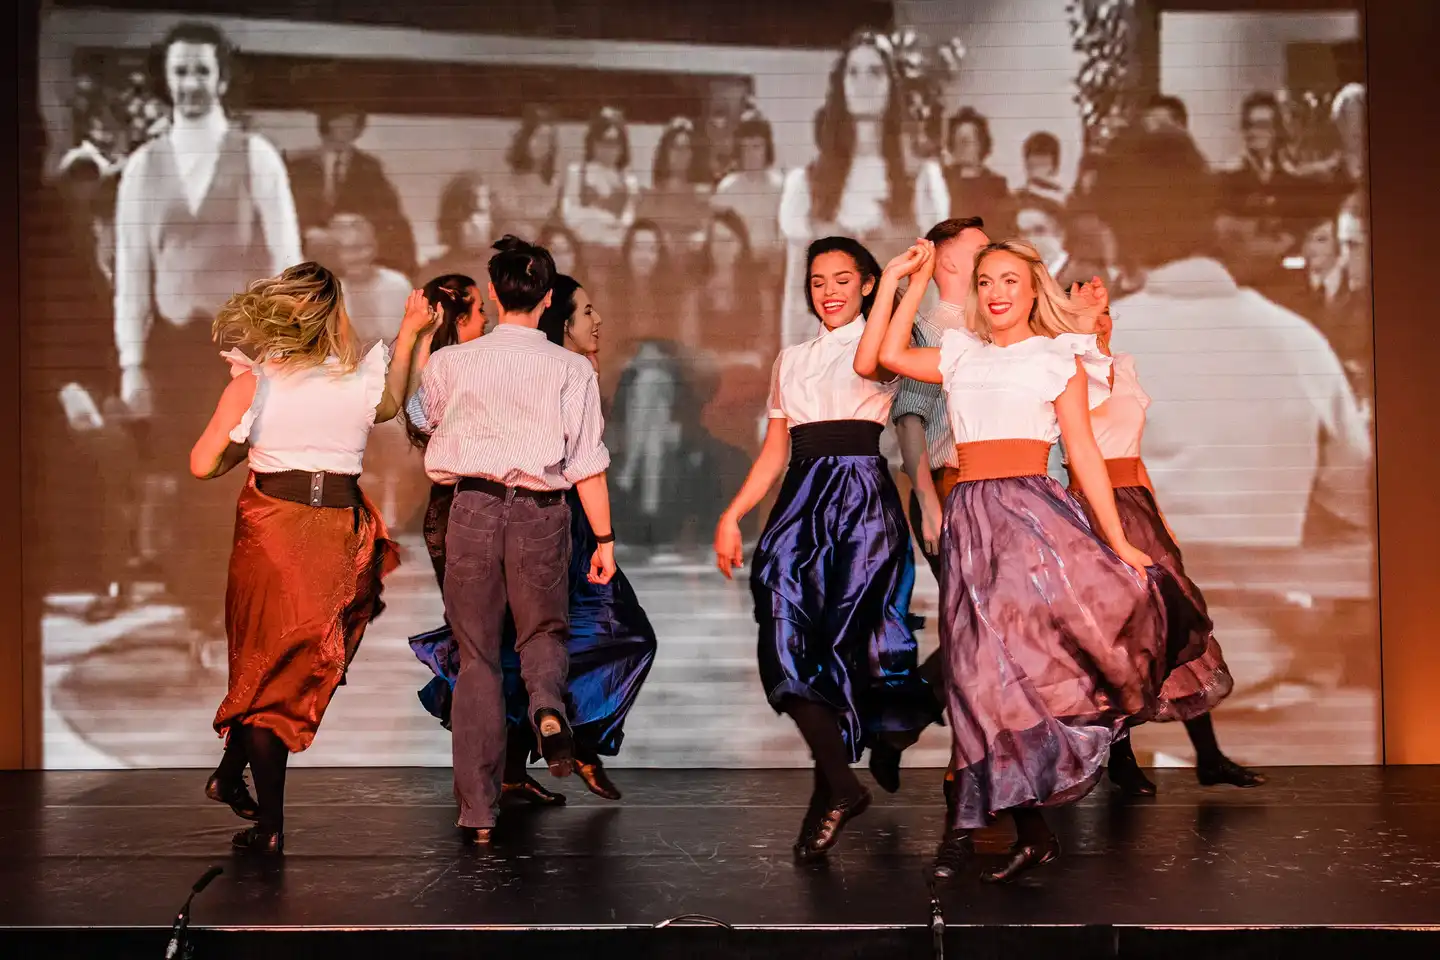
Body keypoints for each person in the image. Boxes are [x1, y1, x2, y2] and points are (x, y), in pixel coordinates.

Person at [868, 238, 1170, 884]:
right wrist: (906, 279)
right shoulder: (960, 353)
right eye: (985, 282)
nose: (997, 292)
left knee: (1006, 675)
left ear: (1035, 289)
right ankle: (1028, 832)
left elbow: (1085, 456)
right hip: (972, 516)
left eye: (1010, 279)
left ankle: (978, 826)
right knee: (974, 679)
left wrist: (1117, 539)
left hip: (1031, 517)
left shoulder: (1057, 358)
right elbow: (885, 356)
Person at [714, 236, 937, 862]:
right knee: (782, 635)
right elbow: (775, 450)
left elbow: (875, 362)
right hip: (799, 503)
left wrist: (900, 277)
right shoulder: (792, 357)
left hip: (861, 501)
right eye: (817, 281)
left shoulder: (883, 345)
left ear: (867, 285)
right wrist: (733, 513)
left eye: (843, 278)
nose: (829, 290)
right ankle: (842, 785)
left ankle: (831, 794)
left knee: (841, 654)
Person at [196, 261, 426, 854]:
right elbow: (391, 403)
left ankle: (252, 803)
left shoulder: (257, 383)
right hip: (333, 535)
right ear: (333, 314)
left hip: (273, 530)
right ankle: (249, 798)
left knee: (266, 669)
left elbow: (204, 462)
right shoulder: (352, 381)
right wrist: (411, 332)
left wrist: (239, 448)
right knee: (290, 671)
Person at [405, 236, 617, 844]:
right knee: (542, 633)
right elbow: (587, 466)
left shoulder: (455, 362)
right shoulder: (571, 367)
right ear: (548, 298)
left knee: (475, 660)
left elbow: (419, 419)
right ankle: (548, 706)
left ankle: (477, 811)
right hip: (541, 512)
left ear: (493, 293)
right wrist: (604, 539)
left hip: (471, 507)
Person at [114, 21, 303, 643]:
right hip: (172, 353)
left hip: (245, 353)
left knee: (245, 485)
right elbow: (133, 272)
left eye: (201, 70)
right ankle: (202, 618)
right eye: (179, 71)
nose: (190, 82)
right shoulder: (142, 166)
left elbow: (287, 261)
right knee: (189, 487)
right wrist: (132, 364)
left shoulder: (256, 156)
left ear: (220, 77)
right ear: (165, 80)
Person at [1066, 307, 1265, 794]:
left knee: (1175, 622)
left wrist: (1159, 516)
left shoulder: (1124, 364)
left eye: (1106, 308)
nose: (1101, 316)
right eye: (1087, 307)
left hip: (1136, 502)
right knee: (1119, 635)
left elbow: (1133, 449)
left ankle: (1209, 757)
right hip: (1096, 505)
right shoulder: (1065, 370)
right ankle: (1122, 759)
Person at [777, 31, 948, 348]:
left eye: (875, 72)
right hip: (829, 360)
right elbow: (793, 295)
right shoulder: (807, 184)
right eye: (853, 72)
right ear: (840, 85)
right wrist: (787, 369)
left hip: (900, 359)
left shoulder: (921, 180)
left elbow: (935, 292)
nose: (864, 83)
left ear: (891, 84)